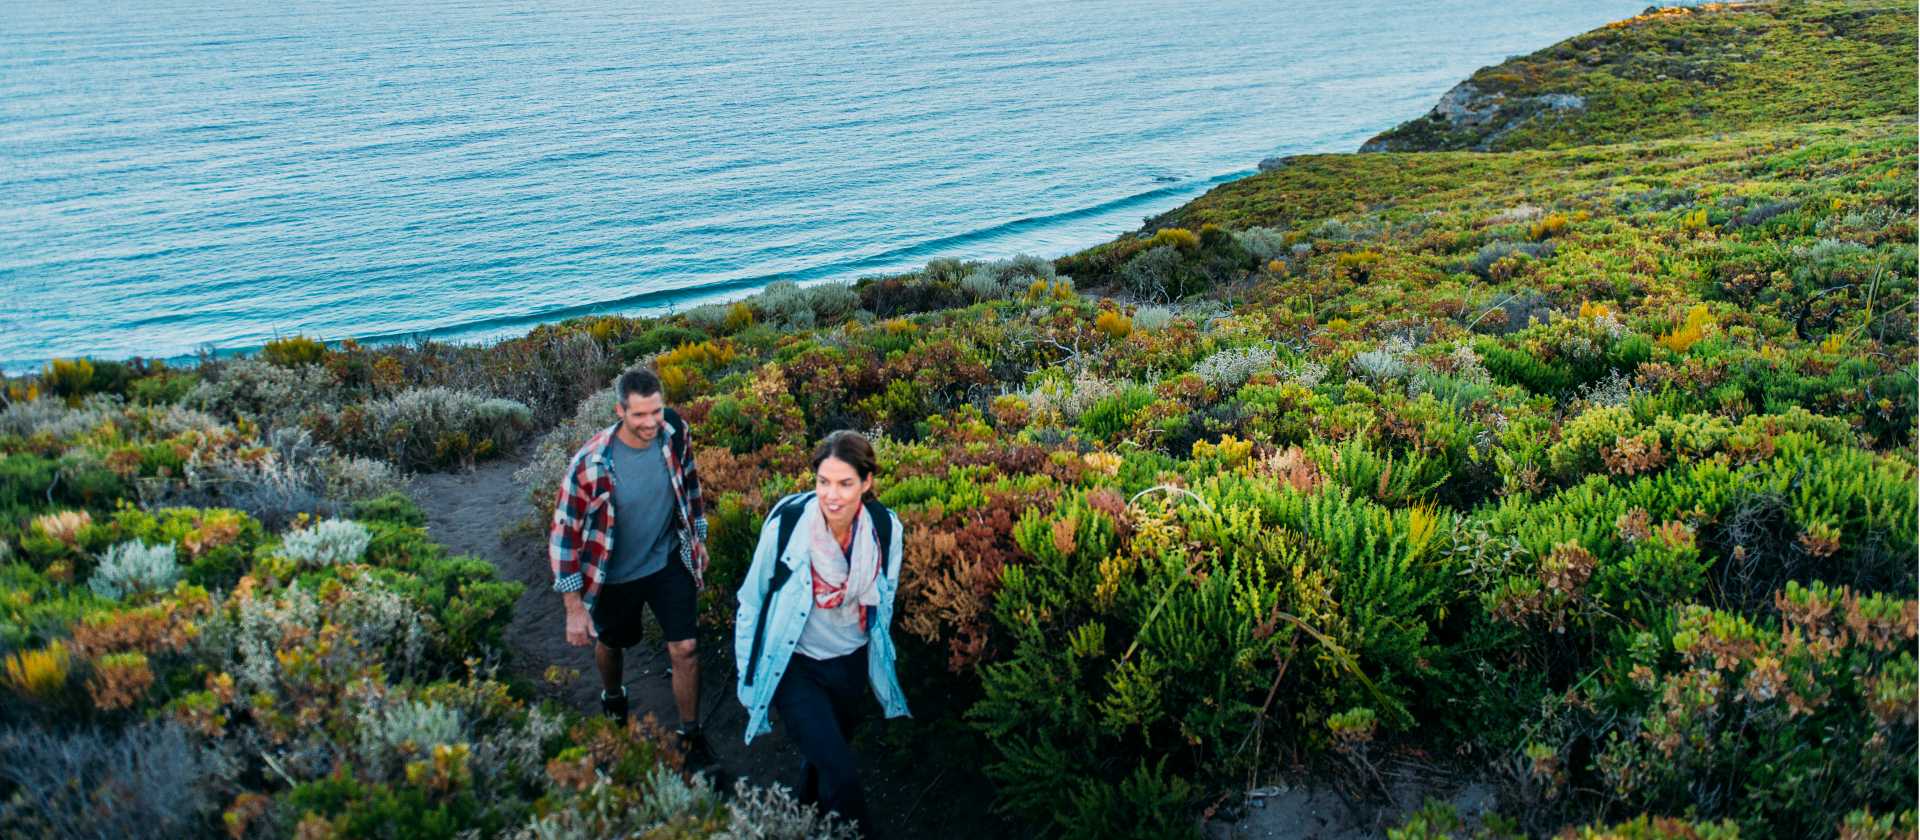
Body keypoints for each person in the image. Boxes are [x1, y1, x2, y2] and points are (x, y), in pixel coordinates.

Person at [735, 430, 910, 837]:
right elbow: (751, 601)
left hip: (850, 665)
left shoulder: (885, 530)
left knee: (827, 758)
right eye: (823, 481)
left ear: (866, 482)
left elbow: (884, 600)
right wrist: (749, 675)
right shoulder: (788, 525)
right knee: (842, 776)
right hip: (796, 667)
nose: (832, 496)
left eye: (845, 483)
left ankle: (800, 816)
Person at [548, 369, 712, 764]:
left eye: (655, 411)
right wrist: (573, 607)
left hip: (666, 560)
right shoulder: (590, 463)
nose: (650, 422)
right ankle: (614, 696)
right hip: (614, 575)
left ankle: (691, 735)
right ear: (620, 411)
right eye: (639, 415)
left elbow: (689, 483)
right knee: (613, 642)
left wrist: (697, 536)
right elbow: (564, 535)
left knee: (686, 648)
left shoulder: (674, 432)